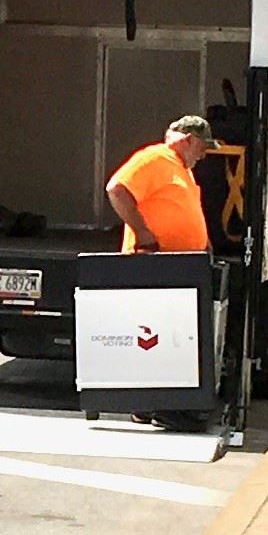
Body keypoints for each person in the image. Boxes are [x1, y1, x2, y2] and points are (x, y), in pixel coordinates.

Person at [106, 115, 219, 433]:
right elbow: (117, 189)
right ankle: (163, 406)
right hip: (152, 262)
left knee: (167, 337)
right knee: (158, 335)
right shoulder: (156, 158)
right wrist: (142, 233)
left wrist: (203, 240)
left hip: (175, 265)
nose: (203, 154)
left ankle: (148, 404)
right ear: (187, 140)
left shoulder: (180, 169)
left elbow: (181, 209)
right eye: (202, 147)